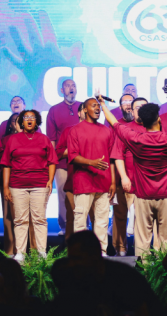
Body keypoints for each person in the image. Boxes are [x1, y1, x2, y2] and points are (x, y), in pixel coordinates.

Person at [99, 82, 167, 255]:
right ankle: (164, 277)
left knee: (142, 240)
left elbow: (114, 123)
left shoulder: (136, 138)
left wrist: (102, 103)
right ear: (159, 119)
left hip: (143, 198)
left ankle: (144, 274)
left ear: (142, 122)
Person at [2, 109, 57, 262]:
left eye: (32, 117)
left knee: (39, 219)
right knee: (20, 219)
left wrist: (50, 180)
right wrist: (6, 186)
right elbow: (6, 164)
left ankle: (41, 252)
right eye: (26, 117)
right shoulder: (13, 139)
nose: (29, 119)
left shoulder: (44, 139)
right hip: (17, 185)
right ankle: (20, 252)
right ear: (22, 122)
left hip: (40, 184)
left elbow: (52, 161)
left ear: (37, 120)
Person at [68, 98, 116, 255]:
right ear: (85, 109)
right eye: (93, 105)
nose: (97, 108)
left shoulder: (107, 130)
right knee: (81, 221)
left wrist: (113, 182)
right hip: (83, 182)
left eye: (98, 106)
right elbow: (73, 156)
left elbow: (112, 158)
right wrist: (91, 163)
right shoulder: (75, 130)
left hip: (103, 182)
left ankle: (101, 252)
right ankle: (79, 254)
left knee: (102, 221)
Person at [111, 97, 149, 253]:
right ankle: (120, 250)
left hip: (149, 183)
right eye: (137, 107)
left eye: (143, 107)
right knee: (121, 216)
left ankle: (143, 254)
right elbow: (118, 155)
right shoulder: (124, 129)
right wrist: (124, 177)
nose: (140, 110)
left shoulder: (155, 128)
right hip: (128, 181)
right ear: (131, 111)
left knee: (145, 221)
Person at [46, 79, 81, 236]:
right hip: (62, 160)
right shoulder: (54, 110)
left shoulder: (83, 107)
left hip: (82, 160)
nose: (71, 88)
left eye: (73, 86)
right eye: (68, 86)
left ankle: (81, 225)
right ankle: (65, 225)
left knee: (82, 193)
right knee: (62, 192)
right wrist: (53, 160)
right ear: (62, 90)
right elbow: (51, 139)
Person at [55, 104, 87, 242]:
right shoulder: (69, 130)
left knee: (93, 219)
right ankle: (70, 254)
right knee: (72, 217)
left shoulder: (102, 130)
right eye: (85, 109)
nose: (89, 112)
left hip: (95, 181)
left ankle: (94, 253)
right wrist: (74, 151)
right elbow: (58, 153)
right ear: (79, 113)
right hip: (74, 180)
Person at [0, 113, 24, 256]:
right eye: (15, 121)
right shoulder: (6, 139)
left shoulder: (32, 138)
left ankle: (22, 250)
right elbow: (3, 162)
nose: (19, 123)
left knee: (23, 217)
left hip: (25, 181)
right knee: (8, 215)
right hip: (8, 181)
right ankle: (9, 249)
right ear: (10, 124)